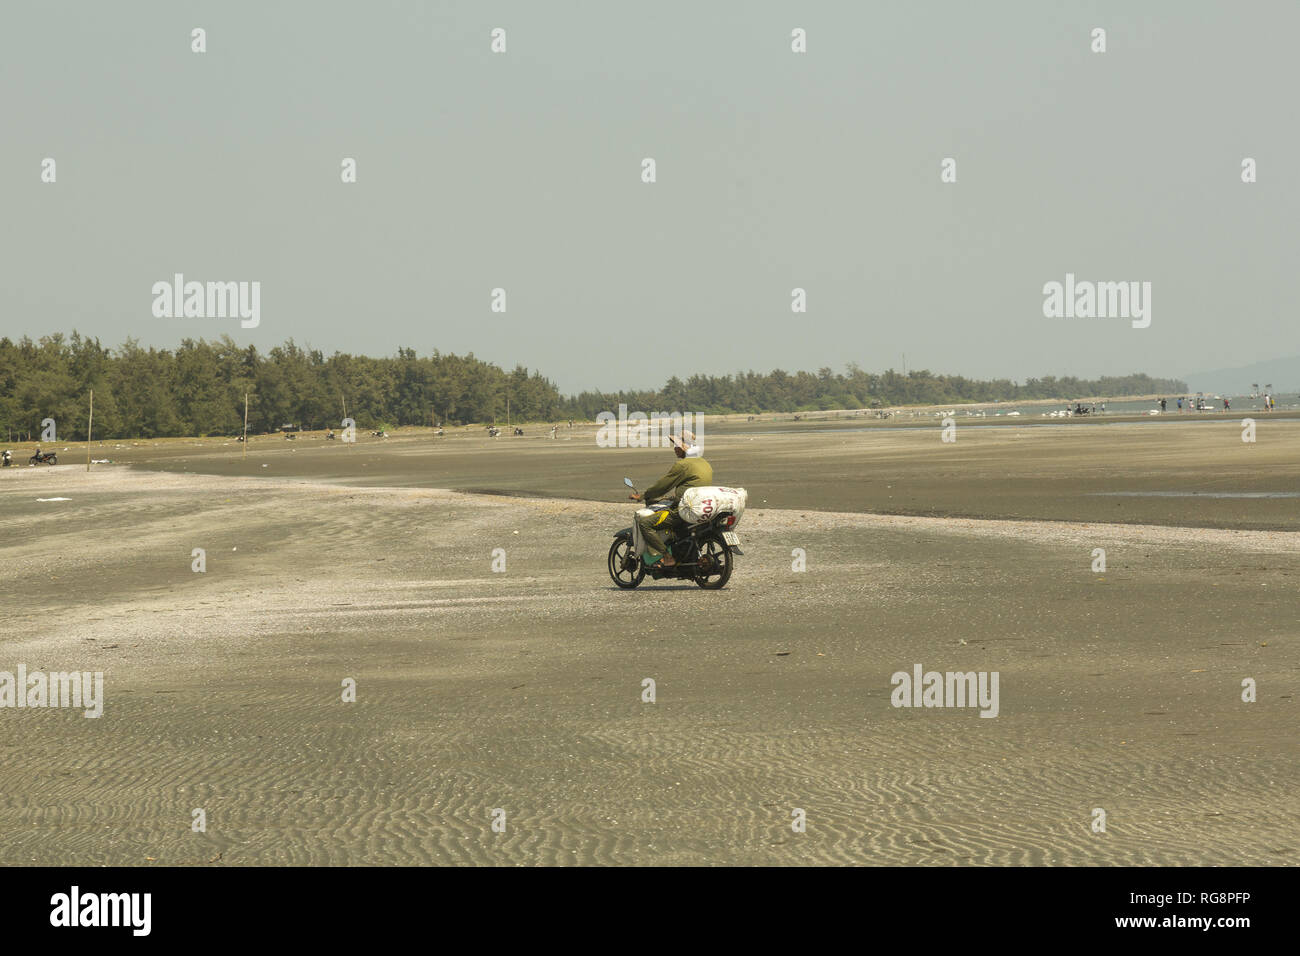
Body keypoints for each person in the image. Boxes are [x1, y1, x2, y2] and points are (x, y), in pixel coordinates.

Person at [629, 436, 713, 567]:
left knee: (645, 523)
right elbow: (693, 486)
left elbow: (662, 486)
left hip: (683, 510)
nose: (675, 449)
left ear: (685, 448)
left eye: (677, 446)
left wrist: (643, 496)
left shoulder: (683, 465)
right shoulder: (705, 463)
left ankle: (667, 557)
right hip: (701, 507)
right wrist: (673, 497)